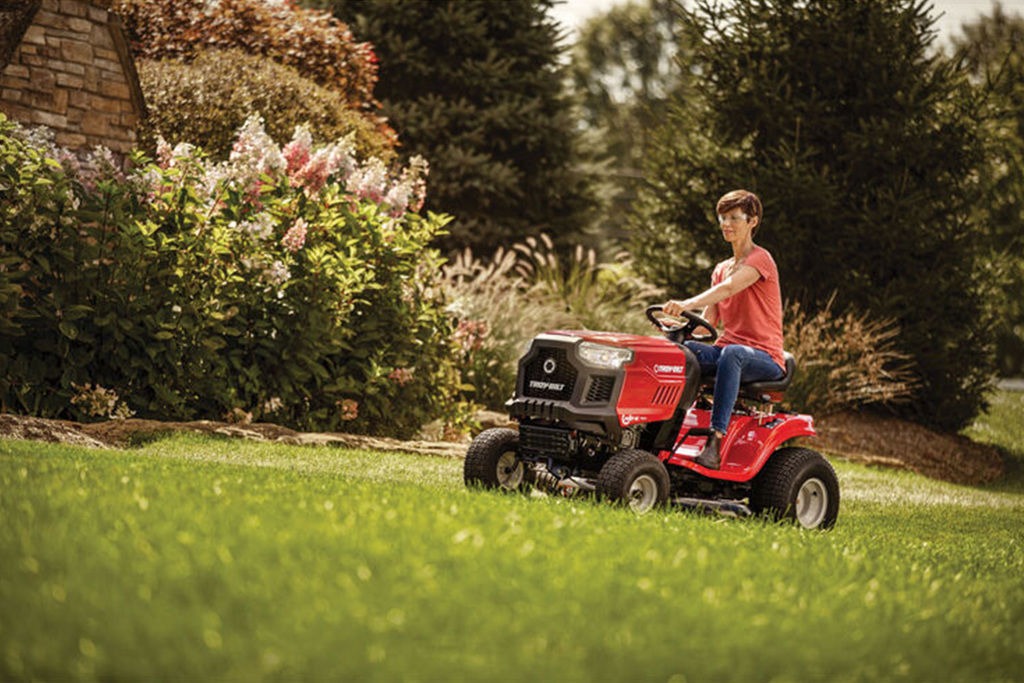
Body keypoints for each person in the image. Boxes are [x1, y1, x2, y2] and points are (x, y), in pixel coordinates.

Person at [662, 189, 785, 469]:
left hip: (764, 357)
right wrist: (680, 331)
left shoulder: (760, 260)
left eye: (734, 218)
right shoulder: (720, 269)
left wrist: (685, 303)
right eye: (722, 218)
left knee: (732, 354)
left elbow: (729, 288)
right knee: (680, 352)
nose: (726, 224)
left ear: (752, 221)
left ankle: (714, 442)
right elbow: (709, 326)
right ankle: (663, 429)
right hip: (728, 350)